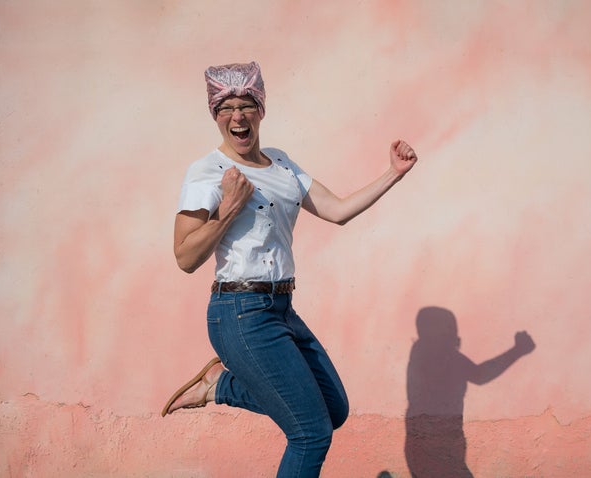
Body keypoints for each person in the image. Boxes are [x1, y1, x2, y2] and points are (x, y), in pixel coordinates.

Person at [161, 61, 418, 477]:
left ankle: (221, 385)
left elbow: (336, 210)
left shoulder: (281, 163)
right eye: (226, 109)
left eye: (246, 105)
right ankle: (222, 384)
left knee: (333, 409)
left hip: (282, 309)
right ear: (215, 115)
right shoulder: (206, 172)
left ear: (261, 110)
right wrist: (226, 211)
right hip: (239, 313)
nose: (237, 116)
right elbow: (185, 257)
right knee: (310, 434)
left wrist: (393, 173)